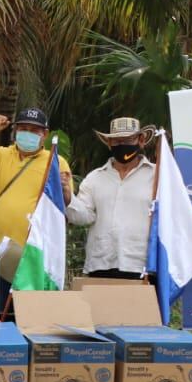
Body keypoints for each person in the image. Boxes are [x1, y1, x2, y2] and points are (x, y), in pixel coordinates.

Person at [0, 108, 73, 302]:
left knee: (28, 312)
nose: (28, 133)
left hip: (34, 256)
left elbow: (63, 205)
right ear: (15, 131)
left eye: (34, 130)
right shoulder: (1, 154)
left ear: (45, 134)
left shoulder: (55, 162)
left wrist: (65, 189)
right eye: (23, 128)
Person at [65, 117, 155, 280]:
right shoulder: (95, 178)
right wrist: (67, 196)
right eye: (117, 141)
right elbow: (83, 217)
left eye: (128, 140)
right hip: (101, 265)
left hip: (143, 266)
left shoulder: (157, 176)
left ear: (141, 140)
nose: (122, 145)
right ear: (109, 143)